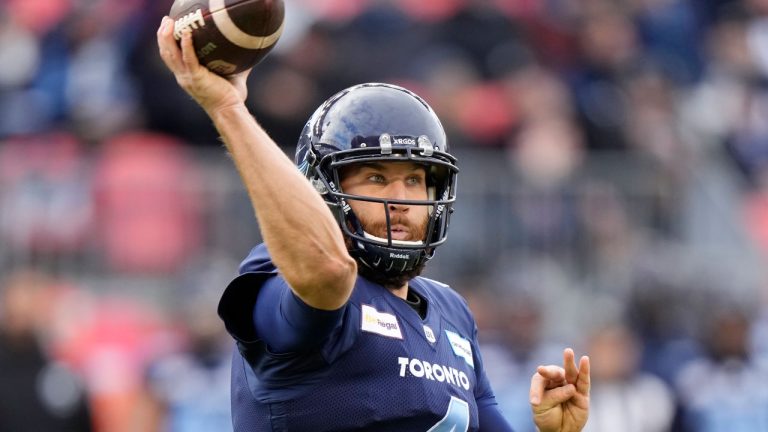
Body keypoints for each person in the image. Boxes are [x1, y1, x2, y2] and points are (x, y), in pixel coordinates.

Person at [157, 16, 590, 431]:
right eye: (377, 178)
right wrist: (229, 109)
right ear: (321, 189)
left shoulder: (451, 311)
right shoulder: (284, 274)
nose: (401, 200)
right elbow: (326, 270)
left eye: (416, 181)